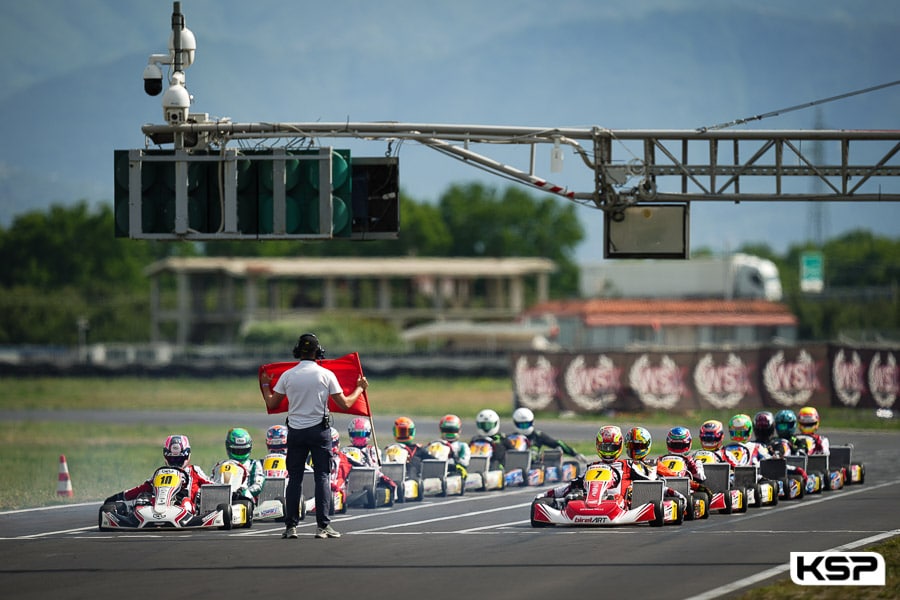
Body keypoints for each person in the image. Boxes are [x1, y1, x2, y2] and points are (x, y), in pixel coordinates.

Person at [260, 332, 369, 540]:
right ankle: (322, 527)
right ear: (317, 352)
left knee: (294, 480)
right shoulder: (325, 375)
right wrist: (359, 388)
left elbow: (272, 403)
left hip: (295, 432)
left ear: (297, 352)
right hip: (319, 432)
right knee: (322, 478)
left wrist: (266, 385)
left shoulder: (288, 376)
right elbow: (345, 403)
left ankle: (291, 527)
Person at [105, 434, 213, 515]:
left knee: (186, 503)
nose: (175, 462)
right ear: (166, 456)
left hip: (185, 506)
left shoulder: (194, 470)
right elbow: (143, 488)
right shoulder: (160, 473)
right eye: (172, 459)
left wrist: (229, 494)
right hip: (159, 504)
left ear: (187, 456)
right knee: (142, 499)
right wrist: (119, 497)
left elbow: (212, 485)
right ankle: (149, 515)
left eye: (179, 459)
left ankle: (178, 513)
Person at [510, 407, 586, 463]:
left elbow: (557, 443)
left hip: (535, 468)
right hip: (514, 467)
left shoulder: (538, 436)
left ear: (532, 422)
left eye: (527, 424)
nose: (524, 428)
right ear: (515, 423)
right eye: (521, 425)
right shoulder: (511, 438)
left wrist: (575, 454)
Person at [211, 427, 265, 503]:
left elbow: (258, 485)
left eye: (243, 450)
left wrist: (242, 492)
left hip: (246, 501)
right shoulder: (221, 465)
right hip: (222, 500)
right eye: (236, 450)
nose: (240, 453)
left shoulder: (254, 464)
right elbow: (212, 482)